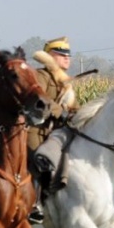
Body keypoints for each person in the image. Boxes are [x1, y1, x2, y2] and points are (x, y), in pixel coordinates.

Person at [29, 37, 80, 218]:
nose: (67, 58)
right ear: (49, 56)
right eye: (61, 55)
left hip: (58, 132)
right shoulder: (40, 76)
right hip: (36, 129)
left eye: (68, 55)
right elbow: (40, 98)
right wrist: (61, 113)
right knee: (40, 157)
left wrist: (78, 116)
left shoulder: (65, 82)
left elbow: (73, 107)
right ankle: (35, 204)